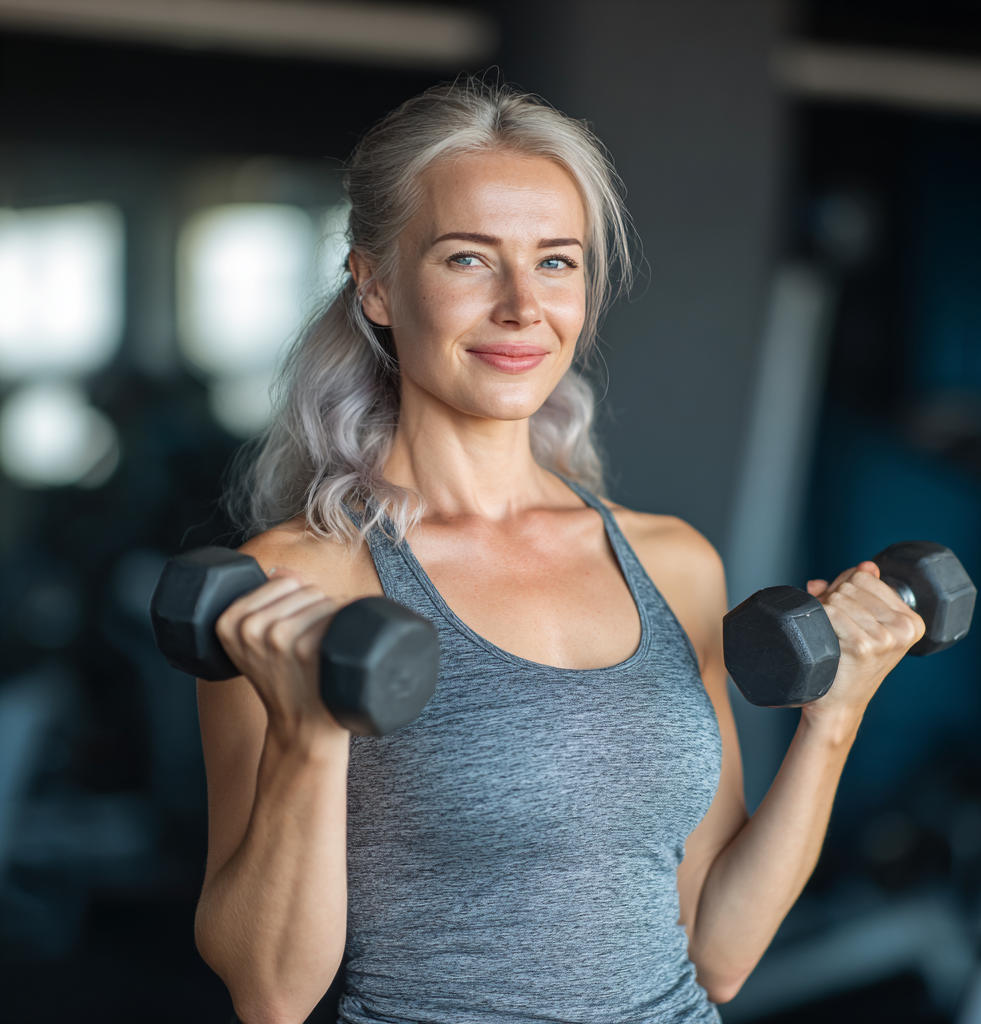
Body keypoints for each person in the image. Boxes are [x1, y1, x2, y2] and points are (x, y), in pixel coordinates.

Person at [195, 81, 925, 1024]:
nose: (520, 306)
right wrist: (306, 735)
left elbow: (719, 952)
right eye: (468, 258)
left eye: (556, 262)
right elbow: (270, 994)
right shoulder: (294, 587)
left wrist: (836, 717)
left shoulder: (674, 562)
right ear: (375, 283)